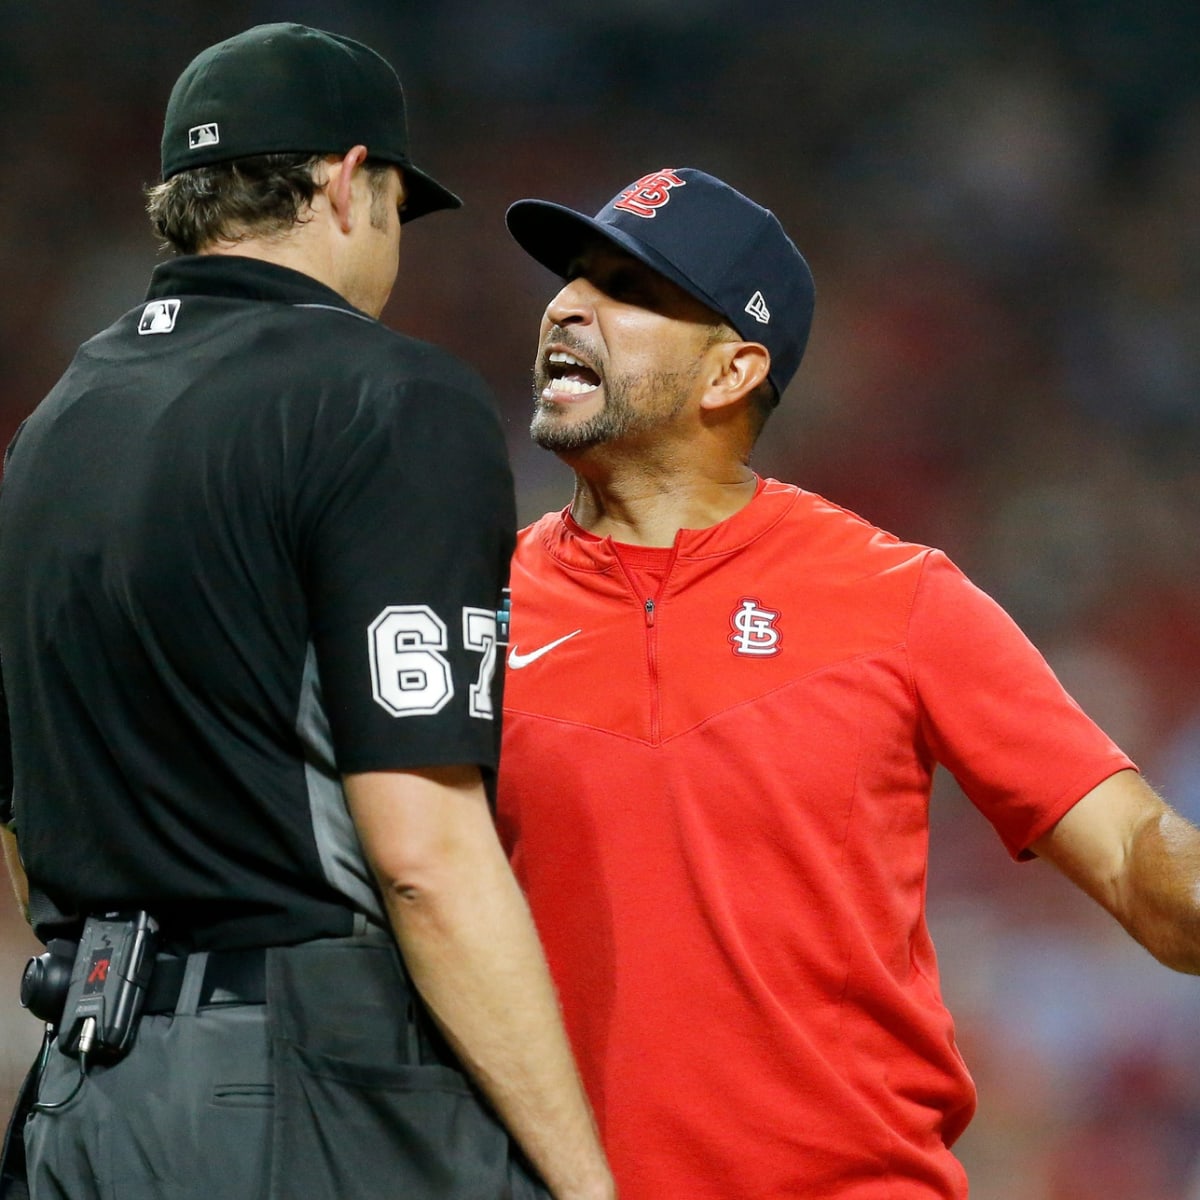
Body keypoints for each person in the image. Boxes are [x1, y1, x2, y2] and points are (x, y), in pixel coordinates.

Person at [494, 165, 1200, 1199]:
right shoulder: (469, 607)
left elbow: (1143, 863)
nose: (567, 306)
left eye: (628, 291)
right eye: (574, 279)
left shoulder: (896, 597)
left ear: (732, 372)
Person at [0, 23, 612, 1200]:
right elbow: (425, 854)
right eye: (393, 202)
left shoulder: (54, 426)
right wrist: (585, 1182)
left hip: (84, 1087)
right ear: (346, 182)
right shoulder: (388, 396)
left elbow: (20, 817)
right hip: (296, 1086)